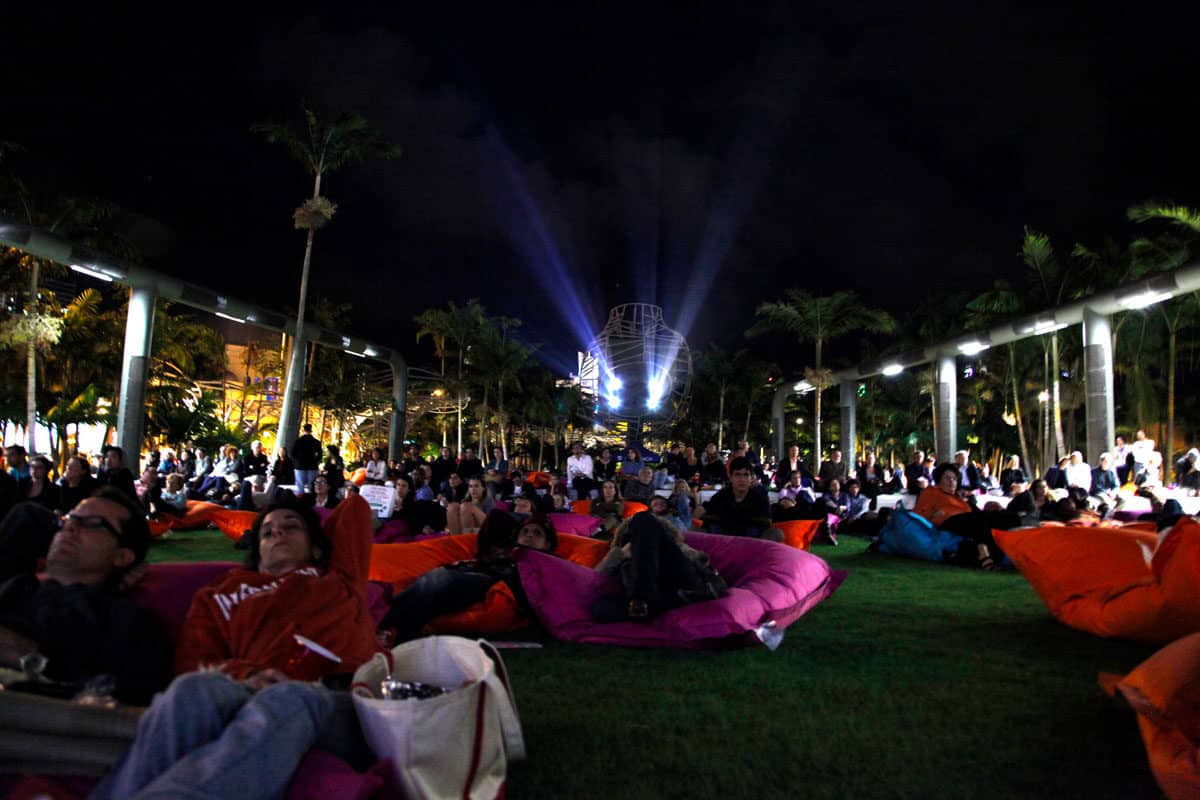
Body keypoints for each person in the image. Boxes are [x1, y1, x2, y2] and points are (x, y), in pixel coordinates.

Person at [93, 494, 377, 800]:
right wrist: (250, 674)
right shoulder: (220, 594)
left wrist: (304, 509)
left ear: (317, 546)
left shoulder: (339, 578)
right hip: (246, 690)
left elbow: (355, 508)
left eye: (290, 528)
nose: (277, 533)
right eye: (266, 533)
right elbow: (193, 662)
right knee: (191, 689)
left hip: (335, 700)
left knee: (289, 696)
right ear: (257, 552)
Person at [0, 488, 172, 705]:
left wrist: (27, 655)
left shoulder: (125, 621)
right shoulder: (18, 587)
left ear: (122, 556)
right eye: (69, 519)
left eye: (92, 524)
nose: (70, 527)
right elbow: (24, 515)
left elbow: (126, 701)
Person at [377, 510, 557, 641]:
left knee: (440, 580)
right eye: (525, 532)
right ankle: (389, 622)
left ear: (548, 543)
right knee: (423, 584)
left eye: (537, 533)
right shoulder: (504, 549)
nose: (529, 536)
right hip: (473, 571)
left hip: (493, 582)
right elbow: (495, 518)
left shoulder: (546, 562)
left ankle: (379, 620)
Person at [591, 507, 726, 621]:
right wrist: (621, 554)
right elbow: (596, 578)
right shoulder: (621, 552)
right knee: (599, 608)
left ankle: (643, 599)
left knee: (642, 518)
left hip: (684, 582)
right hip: (664, 596)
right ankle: (649, 605)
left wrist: (668, 547)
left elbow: (700, 561)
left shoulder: (673, 547)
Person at [913, 463, 1022, 569]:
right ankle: (983, 553)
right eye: (947, 478)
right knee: (979, 520)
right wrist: (932, 515)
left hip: (969, 518)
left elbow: (976, 512)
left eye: (954, 479)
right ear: (939, 480)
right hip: (949, 520)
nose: (951, 482)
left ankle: (993, 554)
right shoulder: (931, 492)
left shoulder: (959, 498)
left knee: (1010, 517)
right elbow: (918, 514)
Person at [698, 457, 782, 541]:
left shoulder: (760, 498)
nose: (742, 479)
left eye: (746, 475)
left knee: (776, 534)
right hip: (723, 543)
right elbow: (709, 525)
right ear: (730, 477)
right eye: (737, 475)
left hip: (752, 545)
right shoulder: (719, 497)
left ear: (751, 478)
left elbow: (764, 525)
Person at [291, 424, 323, 494]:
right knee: (311, 486)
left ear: (303, 430)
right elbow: (320, 454)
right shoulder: (316, 442)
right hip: (312, 466)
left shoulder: (298, 441)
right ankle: (310, 500)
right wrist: (316, 461)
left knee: (300, 486)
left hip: (300, 466)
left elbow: (293, 453)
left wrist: (297, 461)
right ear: (311, 430)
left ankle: (300, 500)